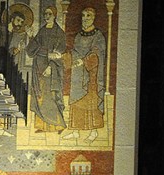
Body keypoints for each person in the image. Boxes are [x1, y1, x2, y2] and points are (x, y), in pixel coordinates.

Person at [66, 6, 107, 143]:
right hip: (78, 75)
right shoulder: (78, 36)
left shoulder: (98, 36)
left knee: (90, 102)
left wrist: (83, 62)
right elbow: (75, 52)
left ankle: (93, 132)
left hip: (91, 75)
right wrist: (66, 58)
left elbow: (97, 53)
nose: (85, 19)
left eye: (88, 16)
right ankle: (75, 131)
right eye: (83, 16)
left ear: (93, 17)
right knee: (77, 101)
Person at [27, 5, 68, 133]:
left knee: (51, 96)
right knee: (40, 96)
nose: (47, 16)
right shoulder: (42, 31)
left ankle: (58, 125)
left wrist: (51, 66)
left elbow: (59, 53)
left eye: (49, 14)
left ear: (55, 15)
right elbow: (31, 50)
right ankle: (43, 126)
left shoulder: (59, 33)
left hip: (51, 69)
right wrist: (31, 37)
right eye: (45, 14)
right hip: (38, 68)